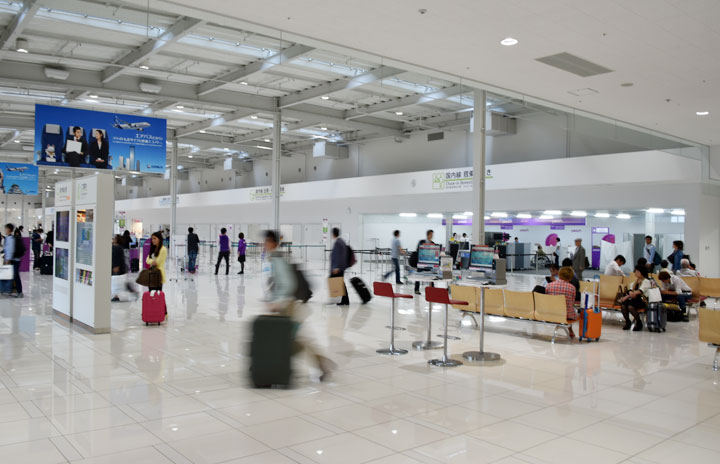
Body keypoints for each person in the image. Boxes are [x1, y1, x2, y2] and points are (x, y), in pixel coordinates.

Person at [263, 230, 335, 381]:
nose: (264, 244)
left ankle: (321, 364)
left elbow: (288, 283)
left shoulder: (277, 258)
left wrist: (277, 302)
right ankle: (318, 364)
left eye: (266, 241)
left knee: (295, 339)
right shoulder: (277, 257)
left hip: (288, 306)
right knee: (294, 338)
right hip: (290, 304)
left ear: (273, 242)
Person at [545, 266, 578, 337]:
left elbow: (547, 300)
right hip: (567, 316)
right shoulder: (572, 288)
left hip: (551, 314)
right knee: (570, 309)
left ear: (559, 274)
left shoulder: (549, 285)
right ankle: (571, 330)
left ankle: (570, 330)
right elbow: (572, 303)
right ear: (570, 277)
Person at [618, 265, 652, 331]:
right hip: (634, 299)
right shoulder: (635, 282)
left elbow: (639, 292)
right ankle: (628, 322)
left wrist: (627, 296)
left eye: (637, 272)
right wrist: (630, 293)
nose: (635, 273)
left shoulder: (646, 282)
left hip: (642, 300)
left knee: (630, 306)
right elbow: (630, 291)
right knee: (623, 305)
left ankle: (638, 322)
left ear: (641, 273)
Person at [2, 224, 23, 297]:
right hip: (15, 259)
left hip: (13, 260)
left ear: (8, 229)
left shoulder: (9, 238)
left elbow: (10, 249)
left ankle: (12, 291)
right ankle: (15, 291)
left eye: (6, 229)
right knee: (14, 275)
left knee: (13, 276)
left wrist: (8, 259)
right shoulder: (10, 237)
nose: (5, 230)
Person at [330, 227, 349, 305]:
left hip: (338, 268)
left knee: (340, 283)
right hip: (341, 267)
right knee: (341, 283)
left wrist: (336, 267)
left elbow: (338, 256)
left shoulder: (338, 243)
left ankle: (344, 300)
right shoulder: (341, 241)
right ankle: (345, 300)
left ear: (333, 234)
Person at [414, 229, 436, 295]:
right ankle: (416, 289)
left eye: (432, 234)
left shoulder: (433, 243)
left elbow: (434, 252)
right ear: (428, 235)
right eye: (431, 234)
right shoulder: (421, 242)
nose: (432, 235)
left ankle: (432, 289)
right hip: (421, 261)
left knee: (431, 276)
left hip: (429, 262)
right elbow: (418, 249)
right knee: (419, 276)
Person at [111, 235, 127, 302]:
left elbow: (116, 258)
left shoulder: (116, 247)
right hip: (120, 268)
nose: (113, 239)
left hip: (117, 268)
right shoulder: (119, 247)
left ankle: (116, 296)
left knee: (116, 282)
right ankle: (116, 296)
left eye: (115, 238)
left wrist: (116, 266)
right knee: (116, 282)